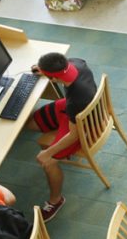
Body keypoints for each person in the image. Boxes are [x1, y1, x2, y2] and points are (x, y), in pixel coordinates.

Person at [27, 53, 96, 222]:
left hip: (84, 124)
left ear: (53, 77)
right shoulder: (78, 62)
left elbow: (74, 135)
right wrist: (43, 71)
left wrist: (48, 153)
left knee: (47, 161)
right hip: (74, 110)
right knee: (30, 124)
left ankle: (56, 200)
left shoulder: (76, 101)